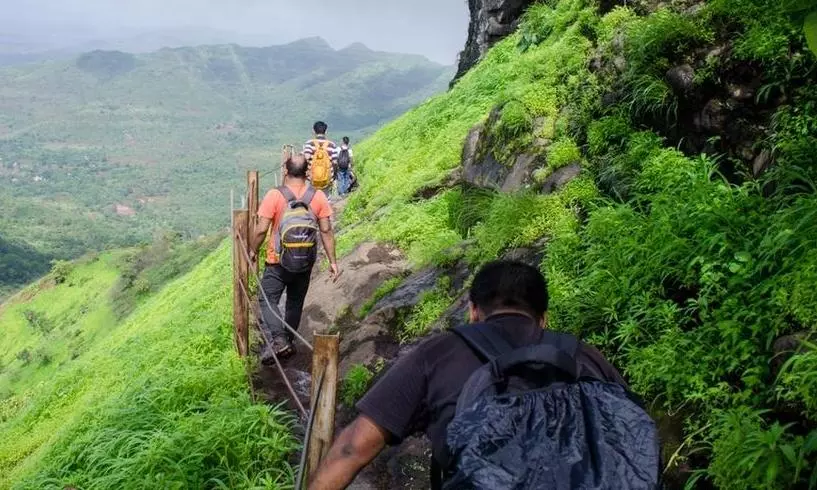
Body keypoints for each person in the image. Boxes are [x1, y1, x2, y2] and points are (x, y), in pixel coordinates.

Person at [308, 261, 659, 490]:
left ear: (474, 311)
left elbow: (353, 449)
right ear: (543, 317)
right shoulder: (586, 358)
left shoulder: (439, 354)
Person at [249, 153, 340, 362]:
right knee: (295, 302)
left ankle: (280, 340)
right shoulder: (317, 197)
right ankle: (287, 343)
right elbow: (326, 231)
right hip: (305, 262)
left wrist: (253, 250)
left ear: (285, 171)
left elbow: (261, 230)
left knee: (267, 298)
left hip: (277, 261)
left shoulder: (275, 195)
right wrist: (333, 262)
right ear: (307, 172)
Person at [303, 121, 338, 194]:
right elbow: (335, 162)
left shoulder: (310, 143)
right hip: (327, 178)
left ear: (313, 131)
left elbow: (306, 157)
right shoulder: (332, 145)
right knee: (325, 198)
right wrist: (334, 175)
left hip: (312, 177)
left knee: (312, 198)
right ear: (326, 131)